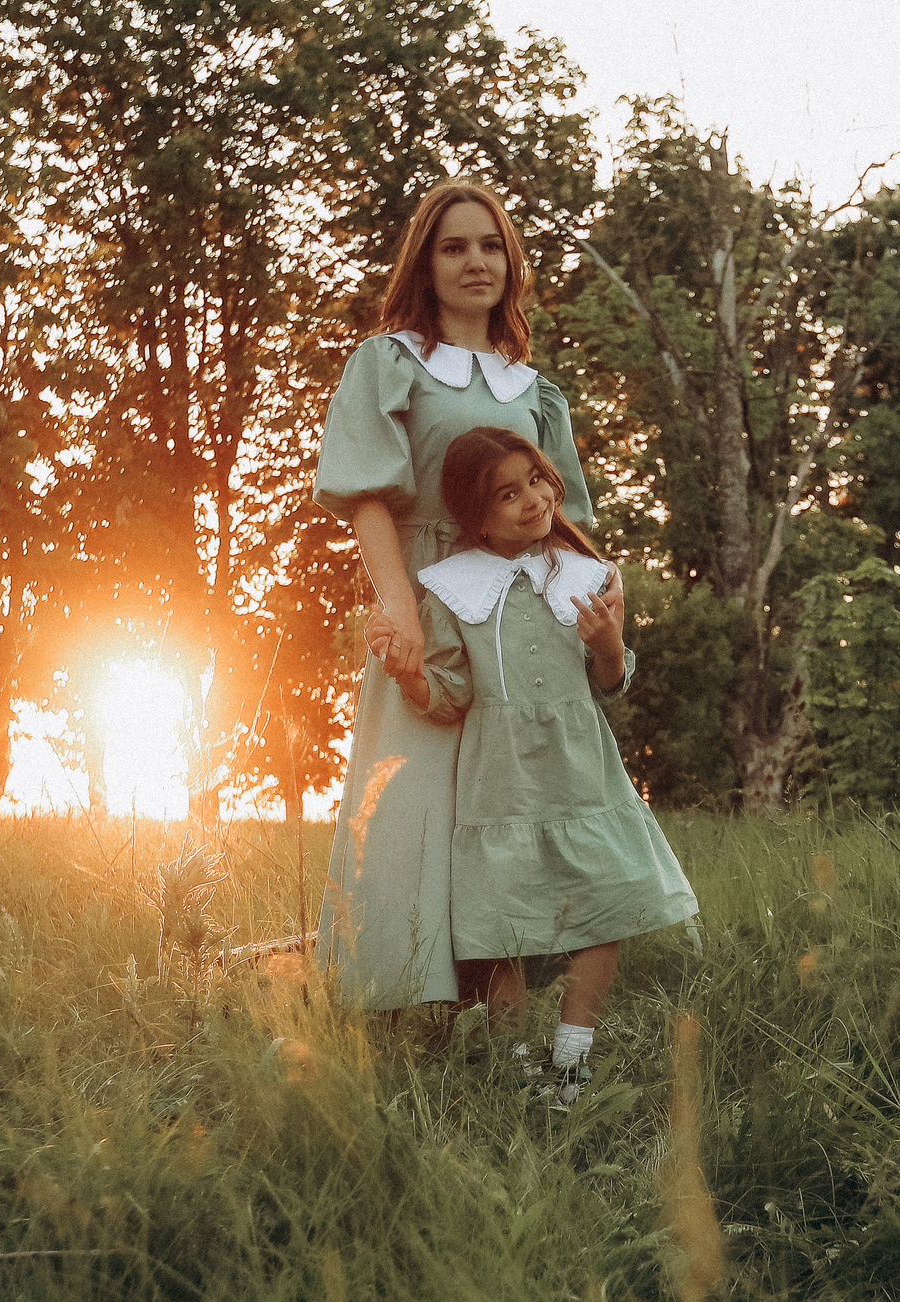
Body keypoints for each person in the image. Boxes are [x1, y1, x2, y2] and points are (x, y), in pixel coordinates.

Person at [311, 181, 595, 1010]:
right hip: (431, 598)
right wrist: (397, 603)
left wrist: (593, 619)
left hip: (517, 619)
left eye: (490, 246)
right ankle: (397, 994)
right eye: (454, 247)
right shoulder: (391, 362)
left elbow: (563, 520)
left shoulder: (535, 392)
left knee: (508, 802)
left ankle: (499, 999)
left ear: (511, 262)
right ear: (425, 267)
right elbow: (368, 496)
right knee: (413, 794)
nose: (476, 262)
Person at [401, 426, 698, 1102]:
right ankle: (512, 1066)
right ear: (475, 516)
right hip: (500, 777)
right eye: (508, 494)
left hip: (579, 772)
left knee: (604, 904)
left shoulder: (589, 576)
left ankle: (571, 1058)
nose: (533, 499)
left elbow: (612, 683)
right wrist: (410, 675)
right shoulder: (451, 590)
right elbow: (449, 697)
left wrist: (612, 644)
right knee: (505, 920)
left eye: (536, 479)